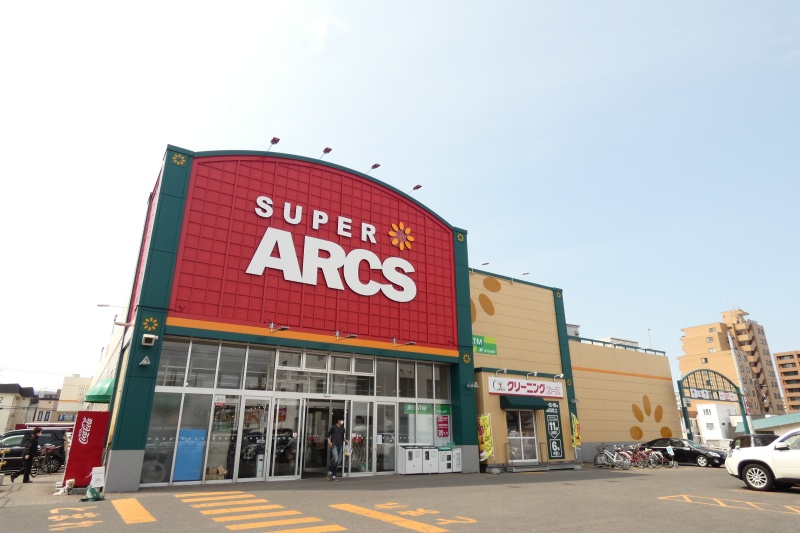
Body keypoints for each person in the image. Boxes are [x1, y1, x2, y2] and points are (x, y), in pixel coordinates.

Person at [326, 416, 349, 481]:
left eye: (343, 420)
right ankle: (330, 472)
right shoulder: (333, 427)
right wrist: (329, 442)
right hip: (334, 446)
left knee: (337, 461)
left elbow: (342, 437)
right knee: (335, 459)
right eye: (341, 420)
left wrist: (346, 440)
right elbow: (328, 435)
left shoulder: (343, 428)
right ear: (338, 420)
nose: (342, 421)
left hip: (340, 446)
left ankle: (334, 476)